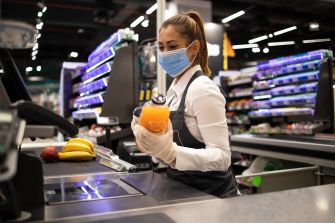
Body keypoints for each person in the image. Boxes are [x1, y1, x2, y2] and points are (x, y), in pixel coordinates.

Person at [132, 11, 238, 198]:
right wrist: (150, 140)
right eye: (161, 47)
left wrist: (172, 153)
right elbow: (166, 151)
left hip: (211, 196)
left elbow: (222, 158)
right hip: (181, 190)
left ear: (193, 48)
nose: (164, 54)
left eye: (172, 46)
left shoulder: (203, 89)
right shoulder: (172, 93)